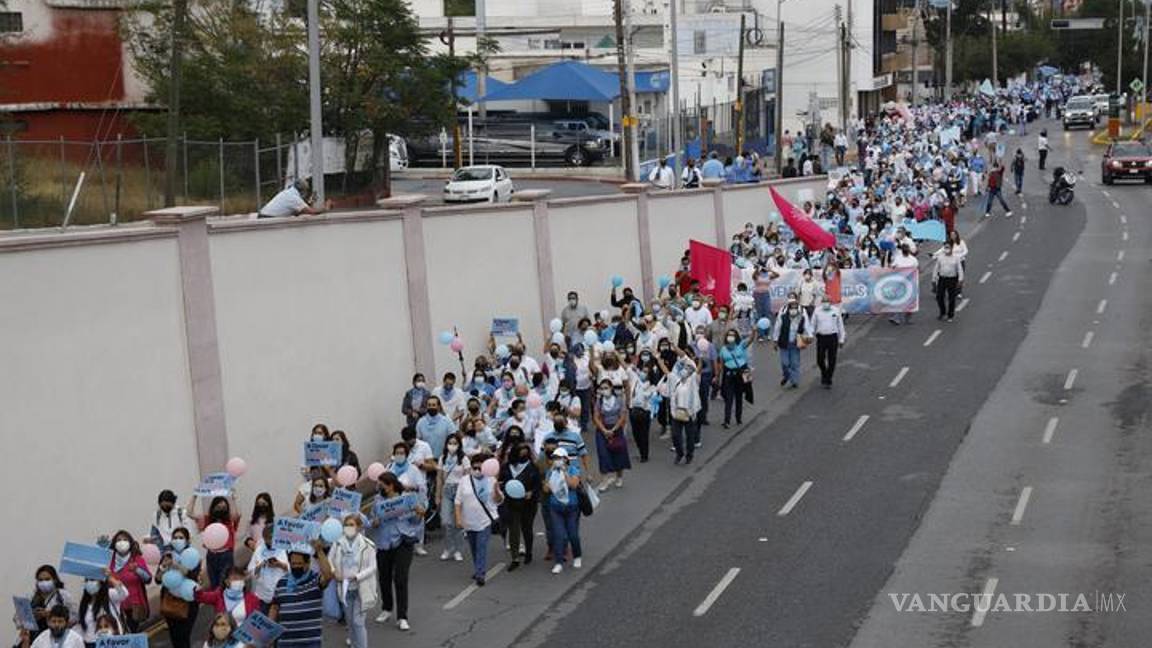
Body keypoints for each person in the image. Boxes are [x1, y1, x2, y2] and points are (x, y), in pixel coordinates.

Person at [370, 472, 423, 631]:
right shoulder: (378, 501)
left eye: (382, 484)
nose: (379, 487)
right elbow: (372, 521)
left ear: (391, 485)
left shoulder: (408, 499)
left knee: (400, 578)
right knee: (384, 577)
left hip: (403, 541)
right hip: (384, 543)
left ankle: (402, 616)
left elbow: (415, 521)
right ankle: (387, 608)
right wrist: (375, 521)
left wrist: (419, 513)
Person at [268, 541, 334, 648]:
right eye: (293, 564)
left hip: (310, 642)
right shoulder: (282, 582)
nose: (296, 567)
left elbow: (328, 575)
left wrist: (319, 551)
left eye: (299, 564)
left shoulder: (315, 580)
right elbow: (275, 607)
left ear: (307, 563)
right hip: (286, 642)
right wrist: (269, 632)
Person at [328, 514, 379, 648]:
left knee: (358, 622)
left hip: (361, 589)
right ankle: (354, 643)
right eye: (346, 525)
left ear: (359, 527)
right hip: (344, 589)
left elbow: (373, 567)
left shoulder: (368, 545)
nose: (348, 528)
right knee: (350, 621)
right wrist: (334, 572)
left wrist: (357, 576)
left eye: (352, 525)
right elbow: (329, 560)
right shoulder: (337, 543)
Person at [455, 452, 504, 585]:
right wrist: (459, 519)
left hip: (485, 520)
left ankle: (480, 573)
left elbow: (498, 501)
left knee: (482, 546)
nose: (477, 471)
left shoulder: (491, 480)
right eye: (474, 468)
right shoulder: (464, 481)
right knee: (474, 547)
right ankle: (478, 568)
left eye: (479, 468)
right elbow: (458, 501)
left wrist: (496, 490)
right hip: (469, 521)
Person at [499, 442, 541, 571]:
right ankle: (515, 558)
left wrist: (532, 493)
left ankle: (528, 552)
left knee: (527, 528)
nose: (523, 453)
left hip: (528, 503)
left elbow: (537, 485)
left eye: (525, 451)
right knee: (514, 530)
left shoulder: (532, 467)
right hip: (511, 503)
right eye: (521, 451)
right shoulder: (507, 467)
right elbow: (501, 481)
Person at [156, 526, 201, 648]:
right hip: (169, 601)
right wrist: (163, 567)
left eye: (181, 537)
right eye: (175, 538)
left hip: (188, 601)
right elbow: (158, 579)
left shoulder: (193, 555)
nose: (177, 540)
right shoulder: (167, 556)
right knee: (174, 637)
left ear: (187, 540)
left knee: (184, 636)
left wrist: (177, 565)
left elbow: (193, 576)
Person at [543, 447, 583, 574]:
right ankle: (558, 562)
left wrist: (565, 473)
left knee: (573, 534)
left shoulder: (573, 469)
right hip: (556, 508)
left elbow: (573, 485)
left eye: (559, 458)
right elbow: (546, 489)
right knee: (559, 535)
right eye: (555, 458)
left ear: (566, 459)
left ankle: (577, 556)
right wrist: (547, 485)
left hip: (571, 507)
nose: (556, 461)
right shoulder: (551, 471)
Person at [189, 494, 241, 589]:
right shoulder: (207, 519)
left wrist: (234, 499)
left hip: (226, 555)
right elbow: (189, 513)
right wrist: (194, 496)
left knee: (224, 583)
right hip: (211, 555)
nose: (221, 509)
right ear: (213, 507)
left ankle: (224, 602)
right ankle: (217, 602)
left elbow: (238, 514)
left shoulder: (229, 520)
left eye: (224, 507)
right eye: (218, 507)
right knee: (213, 583)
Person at [107, 530, 151, 632]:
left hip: (134, 605)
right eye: (118, 540)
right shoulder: (109, 559)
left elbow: (148, 579)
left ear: (130, 542)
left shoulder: (136, 558)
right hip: (116, 604)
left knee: (132, 631)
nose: (122, 542)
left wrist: (137, 570)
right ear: (114, 543)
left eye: (125, 539)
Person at [592, 378, 630, 490]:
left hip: (616, 428)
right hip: (602, 429)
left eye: (606, 388)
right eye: (602, 388)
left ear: (611, 388)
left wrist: (614, 429)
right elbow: (596, 416)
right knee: (603, 454)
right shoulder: (599, 401)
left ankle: (619, 476)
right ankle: (604, 480)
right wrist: (604, 430)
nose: (604, 390)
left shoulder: (619, 400)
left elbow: (622, 416)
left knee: (618, 453)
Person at [194, 566, 263, 627]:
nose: (239, 581)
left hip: (243, 637)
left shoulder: (253, 599)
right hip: (223, 634)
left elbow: (256, 622)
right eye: (235, 578)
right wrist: (197, 589)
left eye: (241, 579)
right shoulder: (218, 595)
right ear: (227, 582)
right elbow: (202, 597)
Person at [437, 434, 468, 562]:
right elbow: (439, 478)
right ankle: (448, 547)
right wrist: (437, 495)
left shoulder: (464, 459)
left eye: (455, 443)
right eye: (450, 443)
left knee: (458, 524)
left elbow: (467, 477)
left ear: (459, 445)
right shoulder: (443, 458)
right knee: (446, 522)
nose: (452, 446)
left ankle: (458, 550)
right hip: (447, 491)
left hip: (459, 491)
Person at [666, 356, 702, 464]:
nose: (684, 371)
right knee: (676, 435)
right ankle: (679, 453)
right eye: (683, 369)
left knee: (690, 437)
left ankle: (689, 454)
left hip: (689, 413)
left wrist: (701, 358)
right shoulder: (677, 382)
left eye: (687, 369)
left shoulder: (693, 381)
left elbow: (698, 370)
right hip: (677, 413)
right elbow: (667, 372)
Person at [771, 295, 812, 389]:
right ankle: (787, 375)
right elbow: (777, 328)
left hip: (795, 344)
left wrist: (810, 336)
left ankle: (795, 381)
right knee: (785, 363)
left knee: (795, 363)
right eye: (791, 308)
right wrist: (775, 340)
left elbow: (807, 326)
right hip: (784, 343)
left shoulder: (801, 318)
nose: (793, 310)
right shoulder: (783, 317)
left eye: (795, 308)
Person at [247, 524, 288, 613]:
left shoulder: (284, 549)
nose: (271, 540)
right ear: (264, 538)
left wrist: (280, 565)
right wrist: (261, 565)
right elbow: (251, 571)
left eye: (273, 537)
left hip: (281, 594)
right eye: (268, 538)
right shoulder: (259, 550)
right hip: (263, 595)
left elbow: (292, 569)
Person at [716, 330, 753, 428]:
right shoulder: (723, 349)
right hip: (729, 374)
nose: (730, 337)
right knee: (728, 398)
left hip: (740, 374)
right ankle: (726, 420)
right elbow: (721, 363)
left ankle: (738, 418)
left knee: (739, 397)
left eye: (732, 335)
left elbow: (750, 340)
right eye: (729, 335)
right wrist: (718, 376)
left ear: (736, 337)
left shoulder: (740, 345)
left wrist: (753, 331)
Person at [76, 576, 127, 644]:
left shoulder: (109, 594)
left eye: (93, 580)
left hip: (109, 642)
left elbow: (124, 593)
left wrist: (110, 578)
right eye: (87, 580)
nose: (90, 583)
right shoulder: (84, 603)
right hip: (89, 642)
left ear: (101, 582)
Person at [810, 295, 846, 388]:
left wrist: (841, 339)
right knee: (820, 359)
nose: (826, 303)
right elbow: (812, 324)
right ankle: (824, 372)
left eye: (828, 301)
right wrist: (810, 335)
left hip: (833, 337)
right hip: (821, 337)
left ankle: (828, 378)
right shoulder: (817, 311)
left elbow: (840, 325)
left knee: (832, 359)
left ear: (831, 302)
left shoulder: (836, 310)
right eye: (824, 301)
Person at [27, 566, 75, 633]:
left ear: (54, 579)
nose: (44, 583)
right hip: (35, 637)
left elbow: (75, 618)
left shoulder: (63, 595)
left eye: (47, 579)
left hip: (57, 635)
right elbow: (19, 619)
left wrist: (52, 614)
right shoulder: (32, 597)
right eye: (40, 580)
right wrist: (32, 616)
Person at [258, 179, 328, 218]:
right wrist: (325, 208)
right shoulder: (294, 198)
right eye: (306, 190)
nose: (306, 193)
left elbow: (300, 210)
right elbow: (312, 212)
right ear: (303, 190)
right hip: (268, 218)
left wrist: (311, 201)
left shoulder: (288, 192)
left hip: (264, 215)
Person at [932, 242, 965, 322]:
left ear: (951, 248)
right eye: (945, 247)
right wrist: (933, 279)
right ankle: (942, 312)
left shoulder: (956, 258)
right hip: (942, 279)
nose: (947, 249)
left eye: (948, 247)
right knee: (939, 297)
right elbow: (936, 268)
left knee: (951, 298)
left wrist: (960, 279)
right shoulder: (940, 257)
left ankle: (950, 315)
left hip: (952, 279)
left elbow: (959, 269)